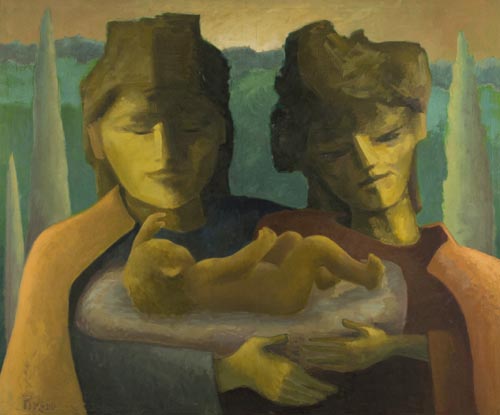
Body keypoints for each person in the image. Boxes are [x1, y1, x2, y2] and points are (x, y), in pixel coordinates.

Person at [0, 14, 338, 415]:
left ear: (221, 130)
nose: (166, 153)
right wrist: (222, 372)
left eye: (191, 127)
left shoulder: (271, 227)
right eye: (139, 128)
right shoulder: (63, 254)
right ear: (96, 137)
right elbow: (34, 400)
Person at [254, 20, 500, 415]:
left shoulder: (474, 275)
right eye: (336, 153)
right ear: (313, 161)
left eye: (386, 137)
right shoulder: (291, 241)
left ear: (418, 127)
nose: (366, 162)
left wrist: (392, 347)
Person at [124, 213, 383, 315]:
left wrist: (143, 235)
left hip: (272, 281)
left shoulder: (187, 287)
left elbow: (135, 268)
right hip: (283, 293)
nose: (178, 245)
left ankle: (323, 277)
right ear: (172, 270)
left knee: (291, 239)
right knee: (315, 245)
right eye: (171, 248)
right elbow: (241, 264)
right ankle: (365, 277)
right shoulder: (199, 275)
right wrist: (262, 243)